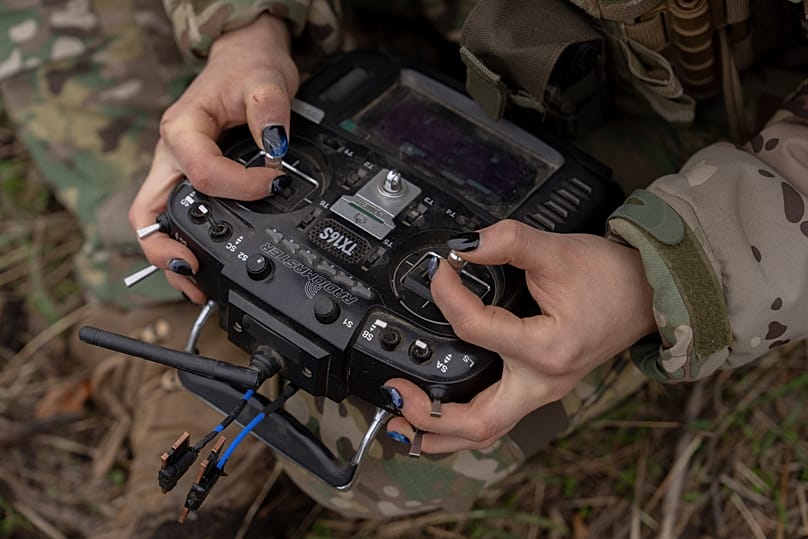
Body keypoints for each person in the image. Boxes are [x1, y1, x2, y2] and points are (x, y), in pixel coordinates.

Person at [1, 0, 806, 535]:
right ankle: (169, 324)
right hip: (361, 36)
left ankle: (228, 373)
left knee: (398, 446)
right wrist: (247, 26)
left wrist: (656, 271)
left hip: (670, 129)